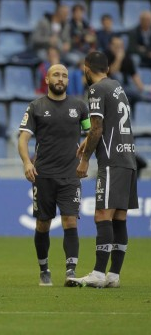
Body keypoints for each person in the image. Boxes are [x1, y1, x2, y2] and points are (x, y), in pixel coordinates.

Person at [67, 51, 138, 288]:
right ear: (106, 68)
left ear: (87, 68)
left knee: (102, 215)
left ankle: (98, 273)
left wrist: (85, 159)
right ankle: (113, 275)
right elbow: (106, 126)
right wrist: (88, 141)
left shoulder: (96, 90)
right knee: (119, 218)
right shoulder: (116, 86)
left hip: (112, 160)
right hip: (127, 158)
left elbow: (97, 128)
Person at [18, 64, 90, 287]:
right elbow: (23, 139)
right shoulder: (36, 106)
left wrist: (86, 154)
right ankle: (44, 269)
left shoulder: (79, 107)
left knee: (70, 220)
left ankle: (70, 271)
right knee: (43, 224)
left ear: (68, 81)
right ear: (47, 79)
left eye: (65, 76)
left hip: (71, 174)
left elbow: (91, 133)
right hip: (44, 175)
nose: (61, 79)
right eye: (56, 75)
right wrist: (27, 162)